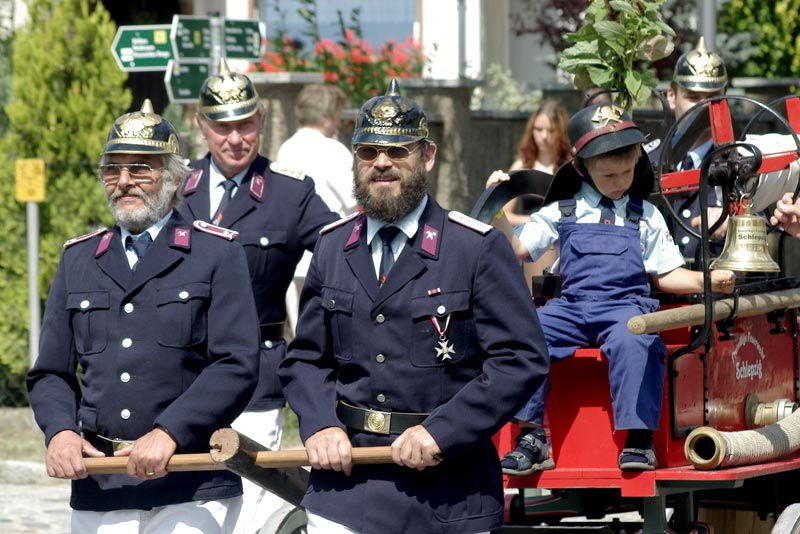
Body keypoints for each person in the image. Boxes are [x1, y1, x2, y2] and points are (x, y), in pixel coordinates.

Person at [278, 80, 551, 534]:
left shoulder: (474, 249)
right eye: (368, 152)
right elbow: (306, 358)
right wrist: (320, 424)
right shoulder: (330, 248)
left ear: (427, 156)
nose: (382, 162)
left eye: (398, 150)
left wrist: (442, 432)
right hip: (346, 489)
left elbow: (520, 360)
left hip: (448, 491)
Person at [26, 100, 260, 533]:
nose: (124, 182)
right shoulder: (79, 259)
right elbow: (51, 373)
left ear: (174, 180)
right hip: (103, 483)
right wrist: (59, 431)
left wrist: (171, 430)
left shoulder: (216, 253)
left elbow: (237, 363)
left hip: (191, 479)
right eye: (112, 170)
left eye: (141, 169)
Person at [487, 102, 736, 474]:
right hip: (571, 307)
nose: (620, 181)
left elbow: (666, 275)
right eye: (608, 175)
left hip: (625, 307)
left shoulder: (645, 215)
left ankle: (638, 439)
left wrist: (707, 280)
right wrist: (497, 208)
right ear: (582, 168)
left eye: (627, 171)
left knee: (636, 338)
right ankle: (533, 436)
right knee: (528, 333)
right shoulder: (562, 210)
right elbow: (519, 250)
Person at [180, 58, 340, 532]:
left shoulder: (290, 195)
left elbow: (343, 257)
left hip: (254, 376)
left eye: (246, 124)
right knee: (190, 506)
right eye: (223, 126)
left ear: (263, 121)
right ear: (201, 126)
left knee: (247, 504)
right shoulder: (174, 191)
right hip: (181, 376)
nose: (235, 138)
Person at [276, 83, 358, 336]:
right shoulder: (335, 150)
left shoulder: (286, 147)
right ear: (326, 117)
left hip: (294, 259)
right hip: (332, 254)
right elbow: (356, 198)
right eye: (336, 116)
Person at [656, 37, 729, 262]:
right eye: (693, 97)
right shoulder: (648, 160)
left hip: (722, 290)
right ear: (671, 96)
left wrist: (736, 220)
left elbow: (772, 220)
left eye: (713, 98)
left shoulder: (741, 158)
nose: (704, 107)